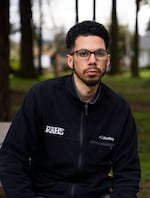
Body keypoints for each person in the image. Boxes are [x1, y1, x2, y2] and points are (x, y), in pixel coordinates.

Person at [0, 20, 140, 198]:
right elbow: (12, 156)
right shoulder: (42, 97)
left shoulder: (119, 110)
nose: (92, 60)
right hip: (44, 194)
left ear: (108, 59)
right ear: (70, 60)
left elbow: (128, 172)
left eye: (99, 53)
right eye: (83, 53)